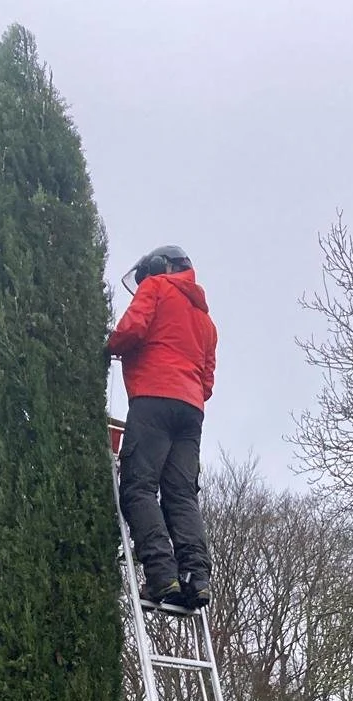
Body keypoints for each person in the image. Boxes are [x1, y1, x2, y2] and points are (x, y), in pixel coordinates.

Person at [107, 245, 217, 610]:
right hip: (191, 412)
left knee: (138, 488)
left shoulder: (156, 288)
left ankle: (161, 575)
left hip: (153, 400)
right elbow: (207, 383)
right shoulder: (206, 321)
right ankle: (196, 578)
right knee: (181, 495)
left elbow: (130, 329)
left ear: (162, 266)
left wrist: (107, 347)